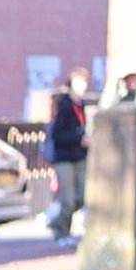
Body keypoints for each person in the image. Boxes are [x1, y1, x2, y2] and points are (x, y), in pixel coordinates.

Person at [42, 72, 88, 245]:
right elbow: (58, 134)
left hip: (80, 156)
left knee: (81, 196)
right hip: (64, 157)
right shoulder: (64, 104)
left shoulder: (80, 104)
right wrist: (78, 139)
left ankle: (55, 219)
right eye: (79, 81)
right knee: (67, 199)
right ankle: (62, 232)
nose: (82, 85)